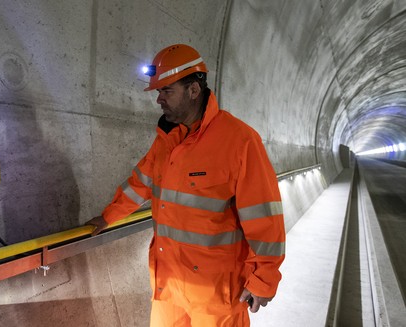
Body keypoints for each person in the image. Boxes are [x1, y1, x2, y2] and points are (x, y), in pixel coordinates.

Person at [86, 44, 285, 327]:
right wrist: (108, 217)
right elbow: (140, 184)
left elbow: (265, 218)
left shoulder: (240, 141)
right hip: (169, 285)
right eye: (158, 92)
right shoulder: (167, 139)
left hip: (215, 294)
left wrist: (264, 279)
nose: (159, 100)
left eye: (167, 91)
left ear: (193, 90)